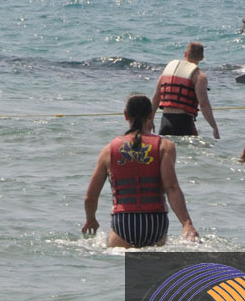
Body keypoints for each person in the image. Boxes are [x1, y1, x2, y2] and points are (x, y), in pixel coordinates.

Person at [83, 94, 199, 248]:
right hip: (155, 223)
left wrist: (91, 219)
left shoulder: (109, 150)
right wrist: (186, 223)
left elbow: (90, 197)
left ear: (126, 116)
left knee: (122, 268)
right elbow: (172, 188)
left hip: (124, 223)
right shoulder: (164, 146)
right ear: (151, 115)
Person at [151, 42, 220, 138]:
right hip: (183, 122)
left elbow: (156, 97)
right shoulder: (199, 76)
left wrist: (150, 119)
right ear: (202, 58)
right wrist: (214, 127)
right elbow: (204, 104)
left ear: (185, 54)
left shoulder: (168, 69)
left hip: (165, 122)